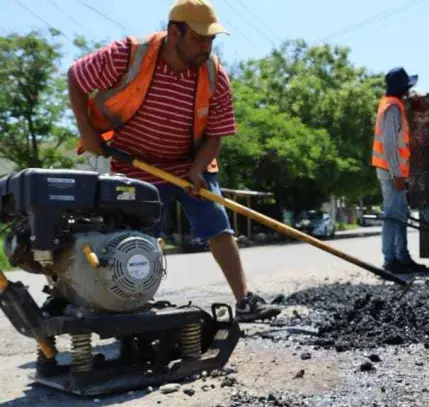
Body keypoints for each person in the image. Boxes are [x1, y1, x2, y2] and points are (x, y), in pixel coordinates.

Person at [67, 0, 281, 323]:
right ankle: (131, 309)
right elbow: (76, 77)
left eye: (211, 40)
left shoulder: (214, 75)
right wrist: (88, 134)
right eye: (199, 38)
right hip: (134, 166)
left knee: (218, 226)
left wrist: (197, 169)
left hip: (188, 165)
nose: (206, 47)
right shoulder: (129, 54)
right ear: (173, 32)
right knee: (136, 241)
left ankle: (245, 301)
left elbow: (216, 135)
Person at [371, 67, 427, 274]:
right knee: (392, 216)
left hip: (395, 171)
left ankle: (403, 257)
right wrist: (396, 174)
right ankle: (390, 259)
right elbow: (389, 144)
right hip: (391, 171)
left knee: (400, 215)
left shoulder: (393, 105)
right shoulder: (392, 108)